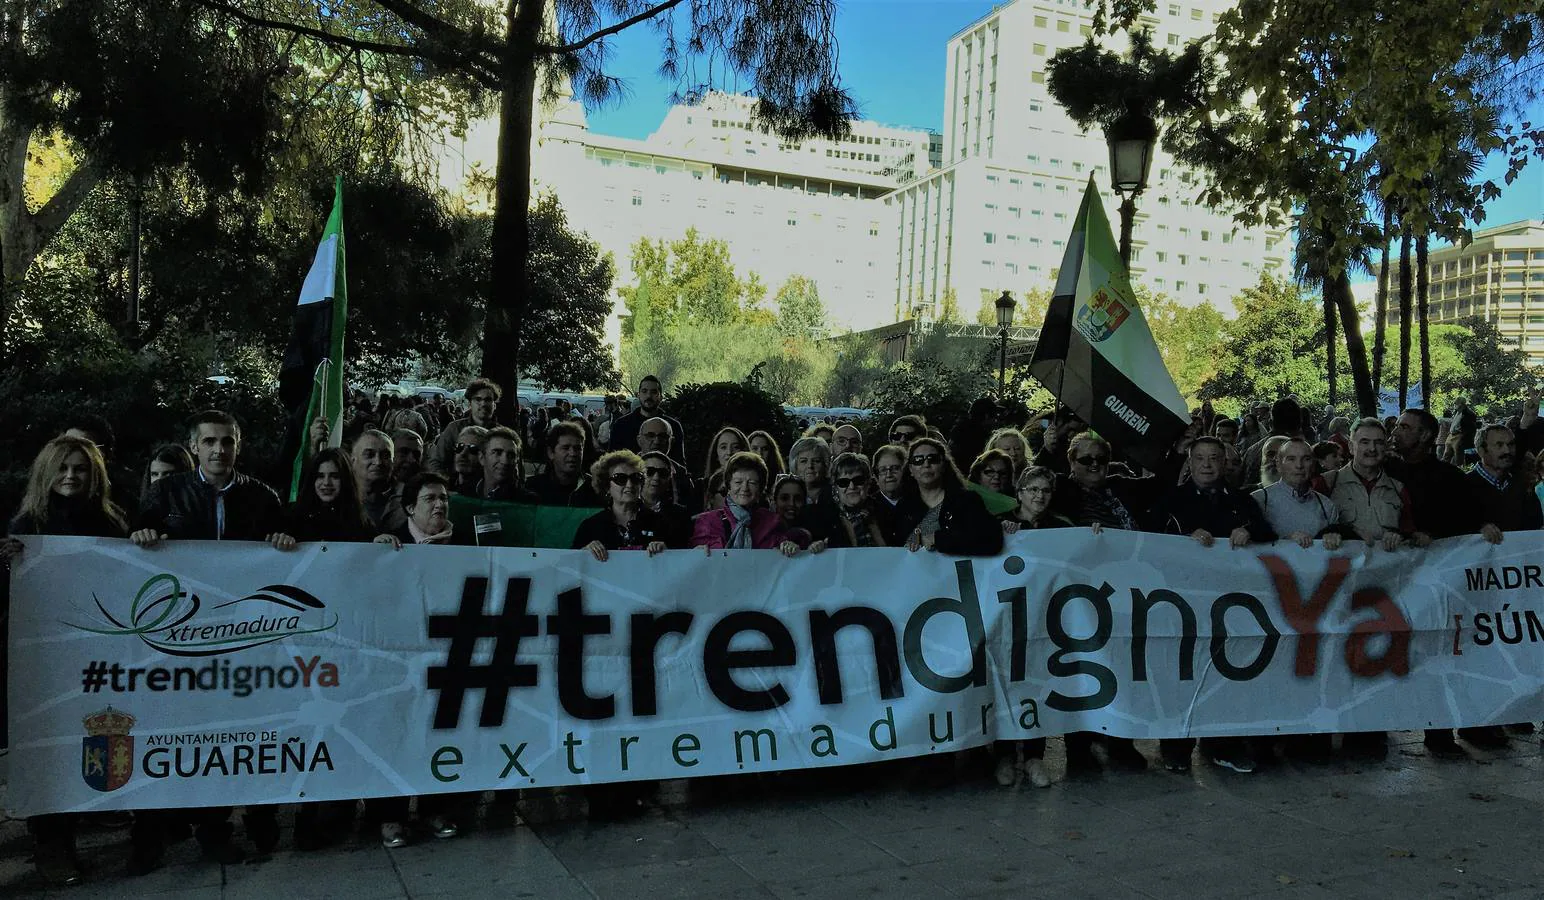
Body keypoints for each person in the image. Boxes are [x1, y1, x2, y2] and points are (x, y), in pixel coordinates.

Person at [131, 411, 295, 863]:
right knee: (194, 733)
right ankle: (208, 829)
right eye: (209, 442)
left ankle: (258, 816)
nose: (219, 449)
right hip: (181, 641)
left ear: (238, 446)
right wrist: (142, 533)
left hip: (246, 640)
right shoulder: (166, 494)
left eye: (227, 441)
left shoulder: (262, 498)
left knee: (246, 729)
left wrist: (283, 540)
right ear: (195, 446)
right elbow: (128, 552)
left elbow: (289, 559)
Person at [4, 436, 131, 884]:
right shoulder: (28, 524)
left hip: (98, 659)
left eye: (80, 469)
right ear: (47, 472)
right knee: (50, 750)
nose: (71, 477)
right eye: (63, 468)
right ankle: (51, 846)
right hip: (46, 661)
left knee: (89, 748)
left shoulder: (113, 523)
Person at [1148, 437, 1277, 775]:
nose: (1207, 465)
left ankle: (1224, 745)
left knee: (1226, 672)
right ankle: (1176, 747)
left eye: (1214, 459)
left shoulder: (1240, 500)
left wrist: (1246, 531)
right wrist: (1183, 540)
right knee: (1182, 671)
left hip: (1230, 605)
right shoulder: (1171, 499)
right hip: (1182, 602)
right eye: (1200, 459)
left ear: (1225, 463)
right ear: (1189, 464)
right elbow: (1147, 538)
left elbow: (1267, 533)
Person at [993, 465, 1080, 787]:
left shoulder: (1062, 527)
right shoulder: (1000, 525)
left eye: (1045, 490)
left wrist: (1095, 536)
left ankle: (1034, 757)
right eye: (1033, 490)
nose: (1039, 496)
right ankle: (1003, 756)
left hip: (1046, 621)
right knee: (1006, 685)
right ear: (1019, 493)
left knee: (1038, 685)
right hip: (1007, 618)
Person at [1461, 424, 1543, 748]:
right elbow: (1453, 528)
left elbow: (1534, 530)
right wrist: (1477, 529)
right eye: (1499, 445)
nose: (1507, 450)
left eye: (1509, 444)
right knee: (1480, 655)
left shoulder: (1520, 488)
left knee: (1515, 648)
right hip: (1476, 589)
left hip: (1515, 585)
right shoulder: (1465, 486)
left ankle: (1512, 712)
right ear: (1482, 450)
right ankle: (1476, 723)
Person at [895, 436, 1003, 557]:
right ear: (910, 469)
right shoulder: (903, 507)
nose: (926, 464)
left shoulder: (967, 500)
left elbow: (992, 541)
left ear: (944, 464)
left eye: (933, 459)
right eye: (918, 460)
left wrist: (938, 539)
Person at [690, 452, 807, 555]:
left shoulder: (772, 522)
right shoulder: (707, 522)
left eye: (752, 482)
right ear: (728, 486)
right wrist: (694, 555)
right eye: (738, 482)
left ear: (760, 489)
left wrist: (790, 548)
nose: (744, 488)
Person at [573, 451, 678, 560]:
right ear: (606, 486)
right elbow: (570, 566)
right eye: (620, 479)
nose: (630, 485)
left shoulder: (661, 523)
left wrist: (668, 552)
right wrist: (583, 552)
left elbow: (679, 564)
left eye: (636, 478)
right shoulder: (591, 526)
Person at [289, 447, 376, 543]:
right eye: (320, 476)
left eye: (334, 476)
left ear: (345, 480)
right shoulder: (295, 517)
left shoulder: (361, 521)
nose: (326, 483)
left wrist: (379, 543)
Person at [427, 377, 503, 475]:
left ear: (494, 405)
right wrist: (446, 486)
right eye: (478, 399)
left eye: (488, 400)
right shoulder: (454, 429)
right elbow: (436, 462)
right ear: (470, 403)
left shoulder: (501, 434)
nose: (483, 404)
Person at [608, 375, 688, 465]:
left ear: (660, 397)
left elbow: (679, 462)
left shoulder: (673, 426)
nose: (649, 396)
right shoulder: (621, 425)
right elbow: (611, 461)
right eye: (644, 391)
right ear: (638, 395)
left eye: (654, 392)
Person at [788, 436, 848, 549]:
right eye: (803, 461)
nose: (810, 466)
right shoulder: (786, 496)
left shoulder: (839, 494)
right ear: (795, 465)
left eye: (816, 461)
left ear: (826, 465)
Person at [527, 421, 600, 506]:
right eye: (566, 448)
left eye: (577, 448)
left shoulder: (595, 487)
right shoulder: (533, 488)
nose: (573, 453)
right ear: (551, 453)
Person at [351, 430, 407, 533]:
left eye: (385, 456)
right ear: (353, 461)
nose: (378, 462)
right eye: (369, 455)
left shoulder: (409, 498)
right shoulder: (339, 498)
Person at [640, 416, 697, 511]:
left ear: (672, 441)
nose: (657, 441)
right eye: (650, 435)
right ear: (639, 440)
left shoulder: (681, 475)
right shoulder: (626, 469)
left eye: (663, 436)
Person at [640, 450, 695, 548]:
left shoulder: (681, 515)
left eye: (663, 473)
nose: (656, 477)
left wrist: (668, 549)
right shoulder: (625, 509)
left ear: (669, 479)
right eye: (650, 472)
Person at [830, 453, 887, 546]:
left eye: (858, 480)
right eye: (843, 482)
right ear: (836, 487)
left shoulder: (885, 512)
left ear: (868, 482)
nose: (852, 487)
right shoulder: (826, 517)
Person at [477, 426, 536, 502]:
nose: (505, 461)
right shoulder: (465, 492)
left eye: (511, 455)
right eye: (497, 453)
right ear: (482, 457)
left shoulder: (527, 501)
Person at [948, 397, 997, 471]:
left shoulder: (958, 430)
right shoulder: (979, 437)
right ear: (986, 416)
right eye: (994, 417)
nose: (995, 421)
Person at [447, 425, 489, 496]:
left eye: (473, 449)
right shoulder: (442, 485)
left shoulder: (487, 492)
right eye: (460, 447)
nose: (463, 454)